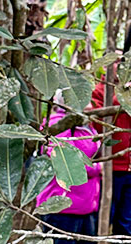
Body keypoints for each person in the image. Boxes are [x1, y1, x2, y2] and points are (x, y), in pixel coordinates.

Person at [90, 78, 131, 236]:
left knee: (126, 222)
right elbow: (97, 126)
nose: (121, 64)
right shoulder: (98, 92)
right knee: (103, 220)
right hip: (109, 170)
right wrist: (121, 98)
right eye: (117, 60)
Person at [37, 93, 101, 244]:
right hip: (62, 208)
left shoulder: (85, 126)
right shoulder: (56, 126)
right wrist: (98, 168)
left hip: (86, 206)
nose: (90, 105)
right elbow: (65, 164)